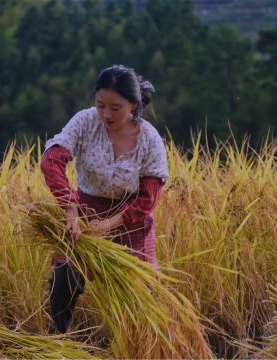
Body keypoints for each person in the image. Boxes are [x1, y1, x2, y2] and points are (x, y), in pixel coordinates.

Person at [40, 64, 169, 334]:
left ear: (133, 105)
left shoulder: (149, 140)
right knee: (64, 279)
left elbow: (148, 198)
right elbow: (51, 161)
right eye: (101, 105)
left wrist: (110, 224)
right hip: (85, 214)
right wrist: (70, 207)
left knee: (142, 292)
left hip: (132, 220)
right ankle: (57, 341)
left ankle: (138, 345)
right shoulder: (85, 122)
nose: (106, 114)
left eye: (115, 108)